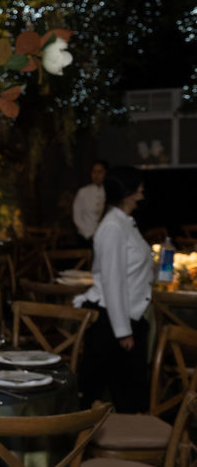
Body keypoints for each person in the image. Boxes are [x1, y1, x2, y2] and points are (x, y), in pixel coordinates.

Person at [75, 167, 152, 413]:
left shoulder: (125, 223)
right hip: (111, 322)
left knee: (129, 397)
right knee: (97, 397)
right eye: (138, 185)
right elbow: (113, 283)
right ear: (128, 191)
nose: (143, 189)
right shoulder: (112, 228)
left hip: (127, 318)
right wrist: (123, 331)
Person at [72, 160, 108, 241]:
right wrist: (88, 234)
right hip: (85, 236)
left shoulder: (108, 192)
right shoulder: (83, 192)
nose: (96, 175)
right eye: (94, 172)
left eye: (99, 172)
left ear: (105, 173)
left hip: (104, 235)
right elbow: (77, 216)